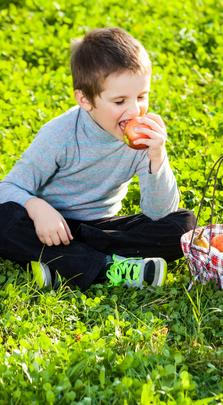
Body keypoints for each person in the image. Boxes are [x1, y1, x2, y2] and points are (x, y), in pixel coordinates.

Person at [0, 27, 196, 290]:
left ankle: (63, 264)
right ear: (85, 99)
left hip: (101, 230)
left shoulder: (143, 138)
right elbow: (7, 188)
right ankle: (109, 267)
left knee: (184, 226)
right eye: (119, 101)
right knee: (3, 219)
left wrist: (157, 158)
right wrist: (36, 208)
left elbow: (158, 212)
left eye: (141, 96)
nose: (135, 109)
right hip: (50, 226)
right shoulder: (59, 135)